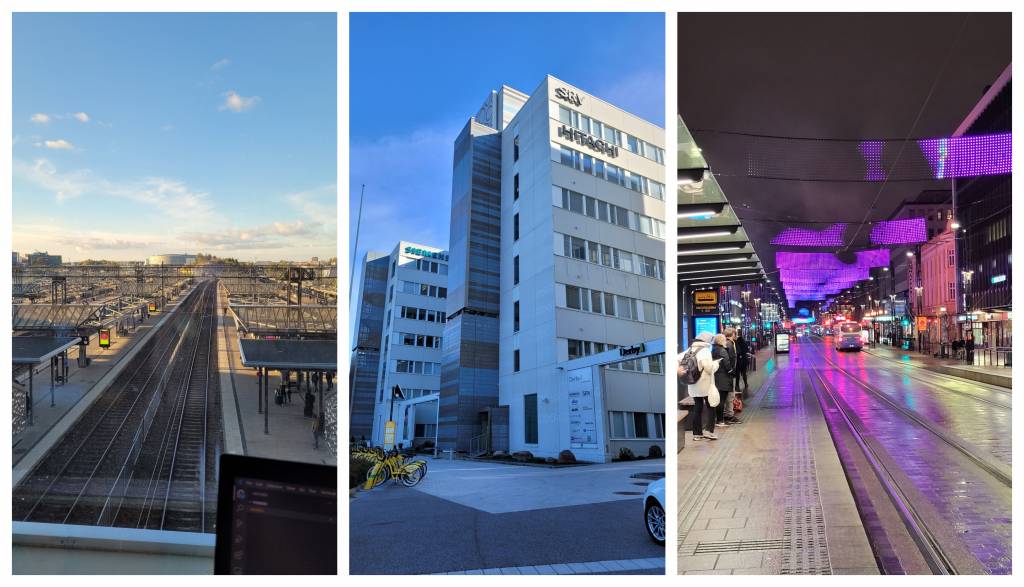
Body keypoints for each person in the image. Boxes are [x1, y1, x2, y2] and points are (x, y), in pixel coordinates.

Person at [682, 332, 720, 441]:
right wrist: (716, 364)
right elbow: (709, 368)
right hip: (705, 385)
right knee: (711, 406)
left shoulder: (690, 350)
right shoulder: (705, 351)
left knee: (697, 408)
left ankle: (697, 434)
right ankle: (709, 431)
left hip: (693, 384)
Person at [712, 333, 734, 429]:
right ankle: (720, 420)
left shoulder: (714, 349)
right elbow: (727, 364)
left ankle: (719, 419)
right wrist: (731, 371)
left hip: (716, 377)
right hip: (723, 378)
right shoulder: (722, 350)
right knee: (722, 400)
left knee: (719, 399)